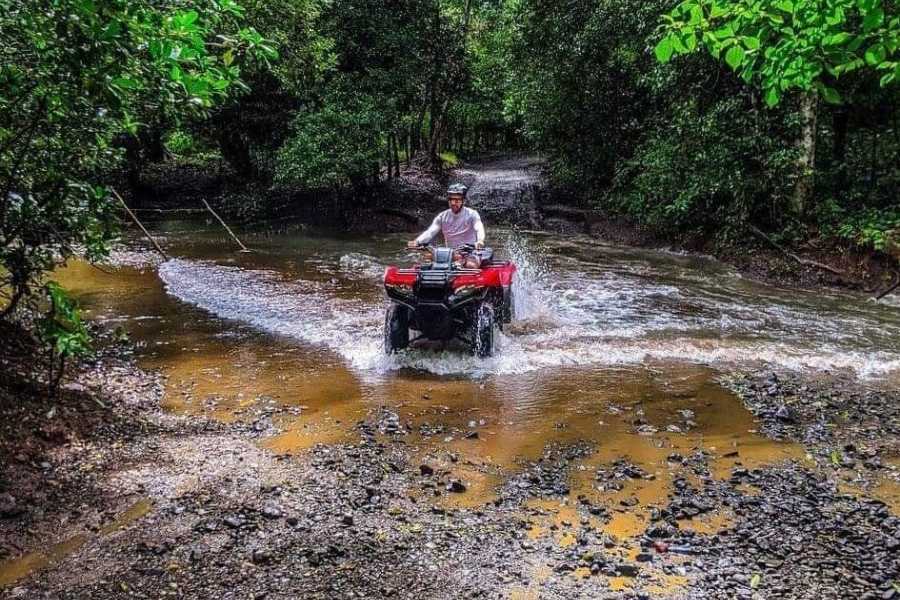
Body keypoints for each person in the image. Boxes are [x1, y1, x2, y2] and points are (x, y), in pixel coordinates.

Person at [407, 183, 486, 251]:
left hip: (469, 252)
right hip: (450, 254)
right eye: (451, 200)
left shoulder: (472, 214)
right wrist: (417, 242)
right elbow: (430, 232)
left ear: (463, 201)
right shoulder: (442, 216)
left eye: (457, 200)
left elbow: (479, 228)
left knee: (471, 265)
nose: (453, 203)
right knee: (428, 259)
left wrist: (480, 240)